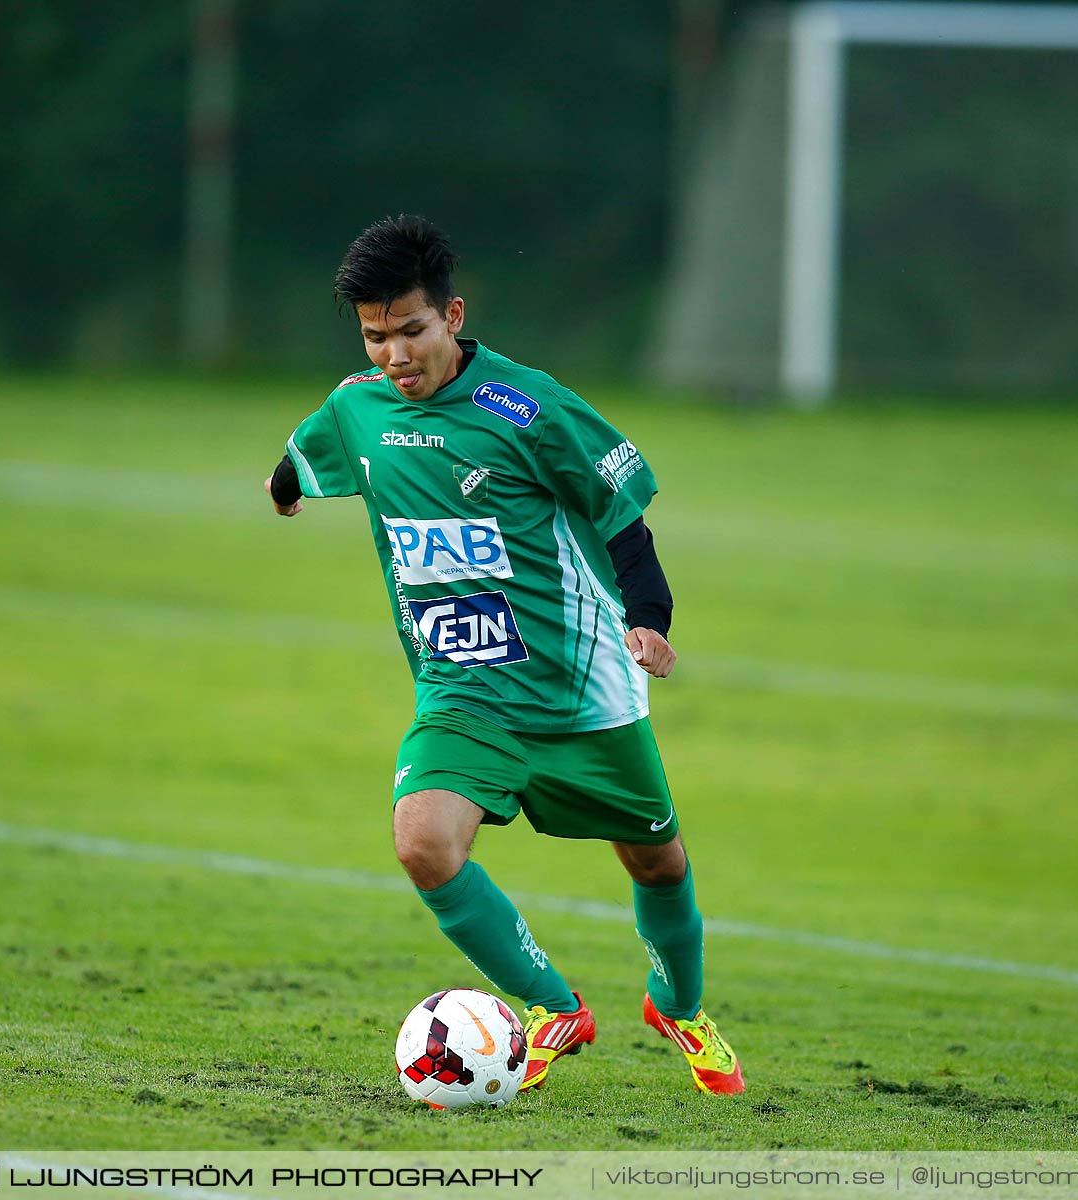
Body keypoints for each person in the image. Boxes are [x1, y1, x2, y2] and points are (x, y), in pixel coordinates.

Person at [265, 215, 744, 1096]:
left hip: (579, 689)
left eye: (411, 331)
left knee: (658, 862)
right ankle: (552, 1005)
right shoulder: (358, 405)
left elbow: (620, 513)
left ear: (451, 314)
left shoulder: (527, 406)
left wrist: (650, 615)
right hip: (463, 691)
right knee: (423, 844)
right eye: (375, 337)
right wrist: (285, 484)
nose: (394, 356)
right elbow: (312, 450)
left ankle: (679, 1007)